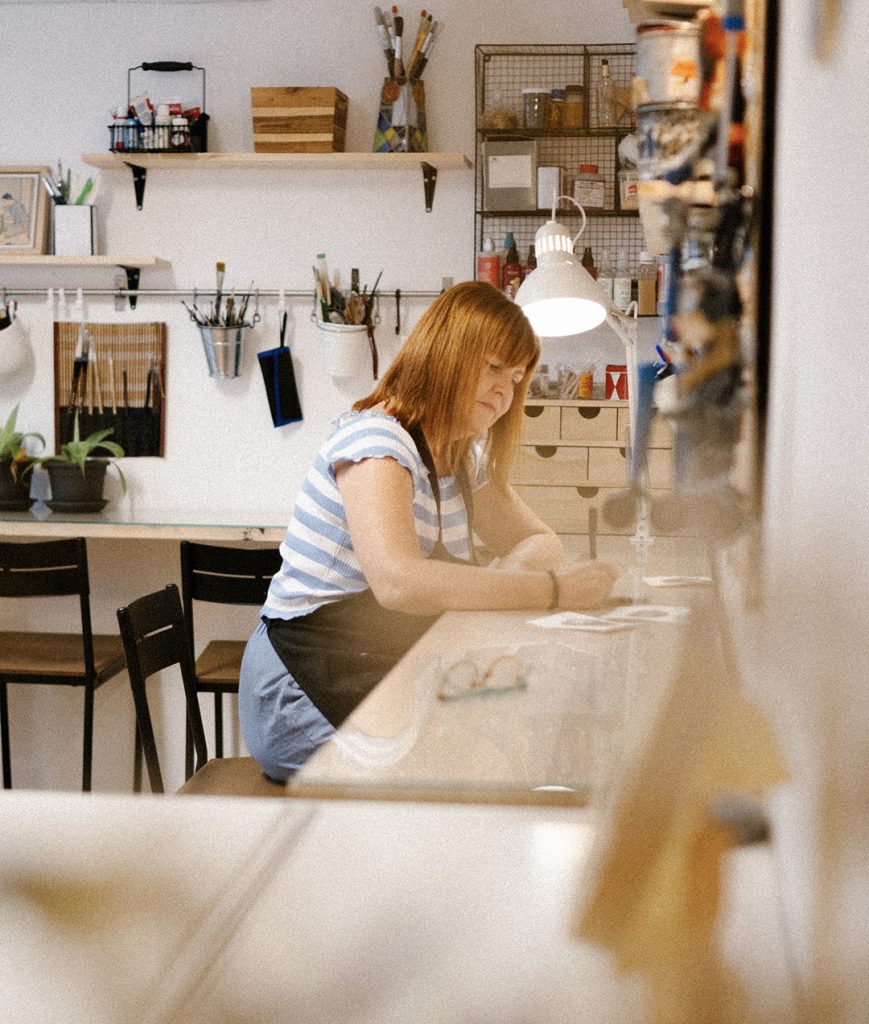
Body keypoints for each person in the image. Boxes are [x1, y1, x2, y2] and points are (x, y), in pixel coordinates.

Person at [239, 281, 618, 779]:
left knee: (514, 745)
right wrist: (550, 591)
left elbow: (541, 544)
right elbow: (399, 583)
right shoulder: (378, 441)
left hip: (386, 669)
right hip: (302, 683)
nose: (506, 389)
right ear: (447, 353)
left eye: (518, 376)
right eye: (494, 367)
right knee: (473, 774)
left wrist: (504, 586)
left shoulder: (462, 455)